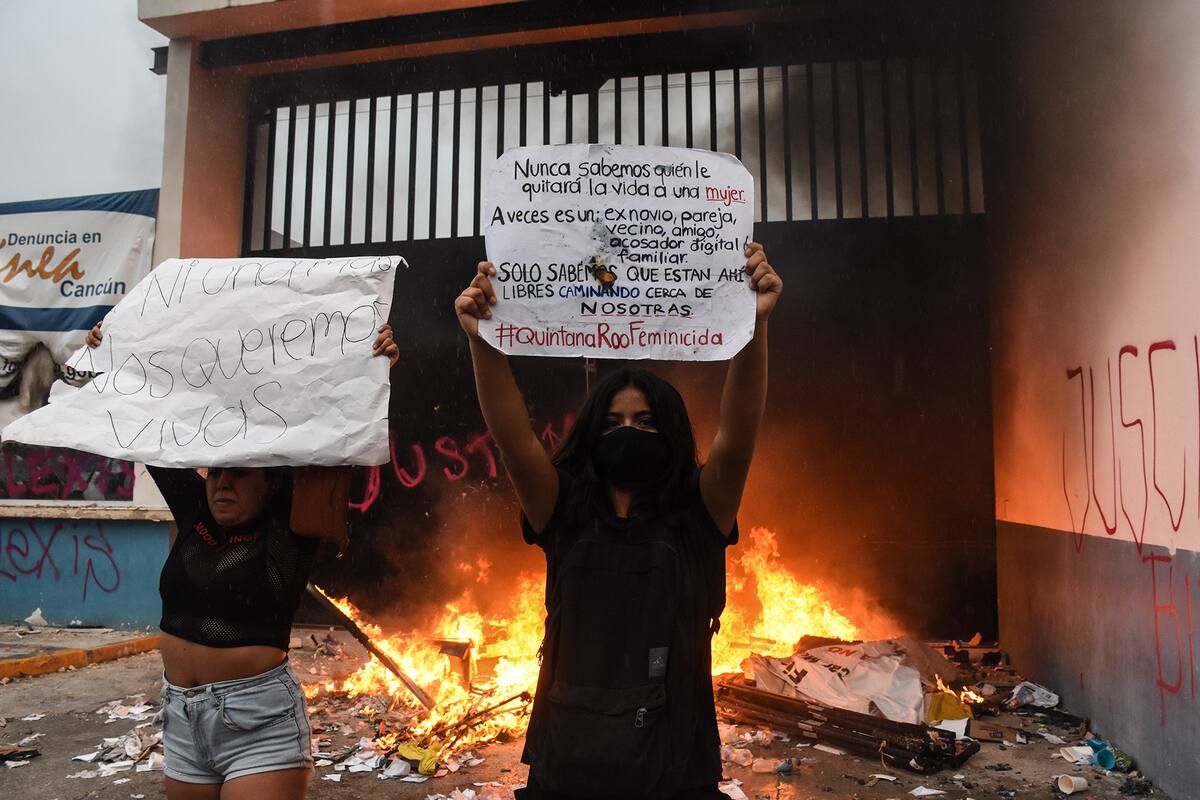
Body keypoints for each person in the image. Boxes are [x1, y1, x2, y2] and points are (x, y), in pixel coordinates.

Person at [454, 243, 782, 799]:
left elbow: (738, 437)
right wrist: (480, 339)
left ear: (670, 433)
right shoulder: (564, 510)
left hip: (674, 770)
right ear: (590, 435)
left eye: (646, 421)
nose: (629, 431)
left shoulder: (696, 512)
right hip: (569, 764)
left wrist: (754, 326)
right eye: (612, 423)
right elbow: (513, 440)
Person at [84, 320, 399, 800]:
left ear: (272, 481)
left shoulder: (289, 530)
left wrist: (372, 367)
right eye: (215, 472)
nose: (223, 482)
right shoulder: (196, 511)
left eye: (240, 472)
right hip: (182, 719)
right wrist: (111, 358)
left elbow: (340, 438)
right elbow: (142, 424)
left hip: (258, 724)